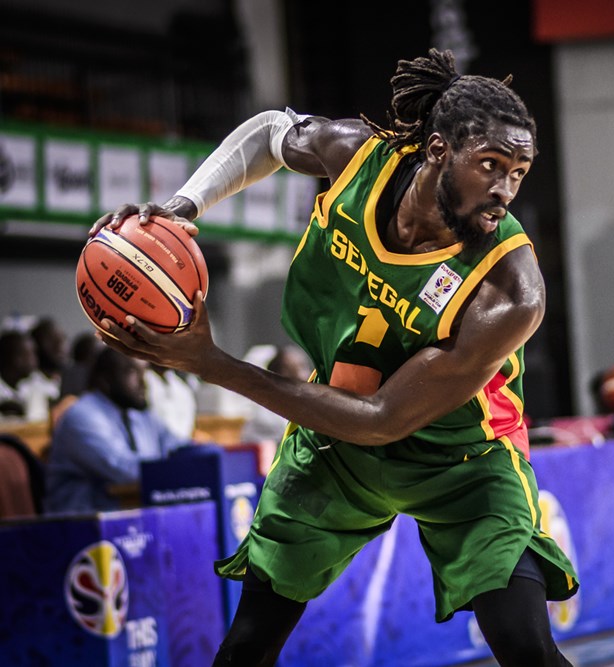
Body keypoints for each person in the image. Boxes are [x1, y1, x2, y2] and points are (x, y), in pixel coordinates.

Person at [92, 49, 578, 667]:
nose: (504, 190)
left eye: (519, 171)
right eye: (490, 165)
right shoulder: (356, 159)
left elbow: (381, 419)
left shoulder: (510, 289)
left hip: (463, 461)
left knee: (527, 647)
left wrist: (213, 364)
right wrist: (184, 208)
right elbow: (271, 132)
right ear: (436, 151)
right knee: (246, 645)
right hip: (334, 443)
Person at [44, 347, 187, 513]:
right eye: (132, 372)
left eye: (144, 371)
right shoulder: (82, 416)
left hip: (128, 519)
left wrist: (205, 457)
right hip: (80, 526)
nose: (143, 382)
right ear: (105, 380)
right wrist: (179, 468)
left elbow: (180, 448)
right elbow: (126, 472)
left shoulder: (140, 415)